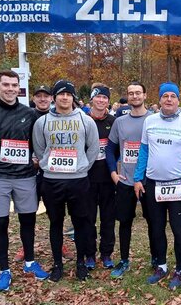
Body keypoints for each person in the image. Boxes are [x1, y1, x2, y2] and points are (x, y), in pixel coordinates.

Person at [0, 70, 49, 291]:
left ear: (19, 88)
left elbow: (38, 142)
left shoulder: (29, 114)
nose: (11, 89)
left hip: (24, 176)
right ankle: (4, 270)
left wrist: (37, 160)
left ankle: (29, 262)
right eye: (6, 85)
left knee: (28, 220)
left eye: (14, 85)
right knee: (0, 223)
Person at [133, 82, 181, 290]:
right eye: (165, 96)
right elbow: (143, 151)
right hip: (153, 183)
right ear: (159, 99)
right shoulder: (149, 121)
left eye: (173, 96)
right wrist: (137, 178)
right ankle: (161, 265)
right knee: (156, 227)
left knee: (178, 230)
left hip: (178, 183)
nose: (169, 99)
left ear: (178, 100)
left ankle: (179, 269)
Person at [32, 79, 99, 282]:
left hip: (78, 180)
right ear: (54, 97)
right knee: (55, 223)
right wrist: (47, 166)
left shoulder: (85, 120)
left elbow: (93, 148)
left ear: (73, 97)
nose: (64, 97)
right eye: (61, 94)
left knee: (80, 223)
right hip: (52, 181)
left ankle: (80, 263)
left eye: (68, 94)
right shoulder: (42, 122)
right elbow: (39, 147)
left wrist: (82, 167)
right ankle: (58, 265)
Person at [14, 85, 75, 262]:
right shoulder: (25, 116)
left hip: (53, 173)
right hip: (29, 172)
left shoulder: (60, 116)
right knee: (27, 212)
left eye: (46, 96)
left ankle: (60, 244)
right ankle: (25, 247)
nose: (42, 99)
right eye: (38, 96)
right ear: (33, 99)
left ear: (52, 99)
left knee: (55, 213)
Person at [106, 81, 156, 279]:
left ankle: (156, 257)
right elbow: (110, 149)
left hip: (149, 180)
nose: (135, 96)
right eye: (131, 93)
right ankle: (124, 259)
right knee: (125, 222)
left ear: (145, 95)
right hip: (125, 180)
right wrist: (113, 172)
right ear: (127, 97)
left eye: (138, 93)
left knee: (153, 221)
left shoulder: (154, 120)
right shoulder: (120, 122)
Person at [84, 83, 116, 270]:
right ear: (92, 100)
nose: (101, 100)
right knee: (88, 217)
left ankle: (106, 253)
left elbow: (118, 147)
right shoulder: (83, 120)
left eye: (105, 98)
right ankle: (89, 254)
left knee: (108, 218)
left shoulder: (113, 121)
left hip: (107, 178)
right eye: (98, 97)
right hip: (87, 177)